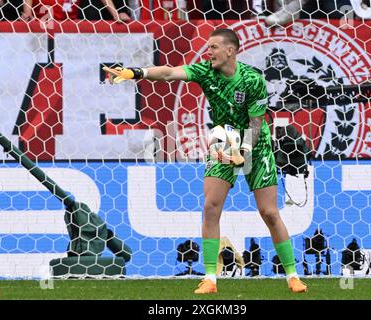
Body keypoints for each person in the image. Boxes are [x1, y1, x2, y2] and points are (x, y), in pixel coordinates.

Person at [103, 28, 307, 294]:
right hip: (224, 139)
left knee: (269, 213)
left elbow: (256, 123)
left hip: (255, 143)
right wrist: (136, 73)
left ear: (230, 50)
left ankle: (292, 275)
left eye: (213, 47)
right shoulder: (205, 72)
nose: (207, 52)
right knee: (211, 208)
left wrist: (244, 151)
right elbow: (168, 72)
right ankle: (210, 278)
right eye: (207, 47)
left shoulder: (252, 79)